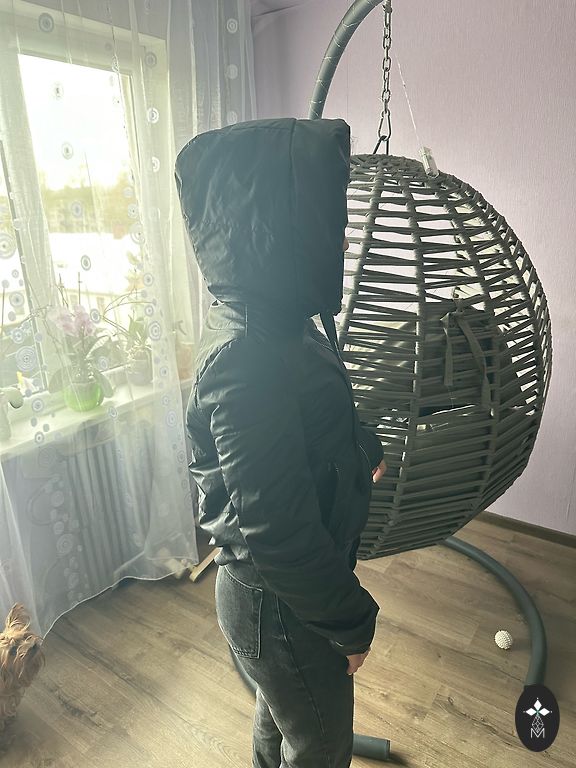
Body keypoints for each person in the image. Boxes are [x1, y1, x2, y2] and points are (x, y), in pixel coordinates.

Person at [175, 117, 386, 768]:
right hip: (281, 603)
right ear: (274, 229)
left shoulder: (282, 322)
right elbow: (277, 530)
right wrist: (350, 620)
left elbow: (314, 412)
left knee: (283, 711)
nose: (341, 239)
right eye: (327, 221)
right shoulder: (245, 358)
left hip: (286, 600)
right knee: (320, 741)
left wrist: (361, 448)